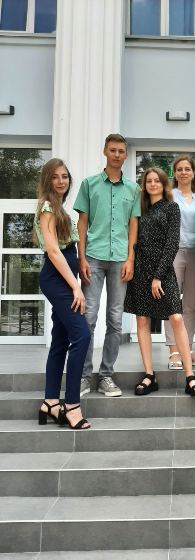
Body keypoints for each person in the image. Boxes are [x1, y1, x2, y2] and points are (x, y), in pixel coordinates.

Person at [125, 168, 195, 397]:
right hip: (141, 269)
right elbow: (133, 239)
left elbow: (172, 243)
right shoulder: (139, 209)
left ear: (163, 184)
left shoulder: (172, 207)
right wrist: (131, 262)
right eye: (148, 181)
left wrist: (158, 276)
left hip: (163, 271)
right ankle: (149, 375)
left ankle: (190, 376)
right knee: (142, 320)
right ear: (144, 186)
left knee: (176, 318)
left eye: (156, 181)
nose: (152, 184)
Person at [74, 134, 140, 398]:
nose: (116, 154)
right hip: (93, 256)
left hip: (120, 259)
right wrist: (81, 257)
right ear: (105, 151)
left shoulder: (133, 189)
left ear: (126, 155)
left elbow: (133, 225)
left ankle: (106, 376)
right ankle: (83, 376)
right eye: (112, 150)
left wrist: (131, 259)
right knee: (88, 317)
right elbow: (82, 223)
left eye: (121, 151)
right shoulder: (89, 184)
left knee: (115, 319)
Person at [34, 158, 91, 430]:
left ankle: (50, 402)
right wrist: (75, 286)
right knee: (82, 335)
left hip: (64, 278)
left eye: (65, 176)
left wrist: (79, 270)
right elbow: (54, 251)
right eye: (55, 177)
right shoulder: (47, 207)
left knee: (60, 339)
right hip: (57, 279)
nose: (61, 181)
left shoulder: (58, 207)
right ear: (48, 180)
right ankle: (72, 405)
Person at [164, 155, 195, 370]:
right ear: (175, 173)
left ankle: (188, 349)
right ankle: (174, 351)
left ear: (193, 172)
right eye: (179, 169)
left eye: (187, 169)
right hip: (174, 253)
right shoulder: (169, 195)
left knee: (190, 304)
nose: (183, 172)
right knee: (172, 303)